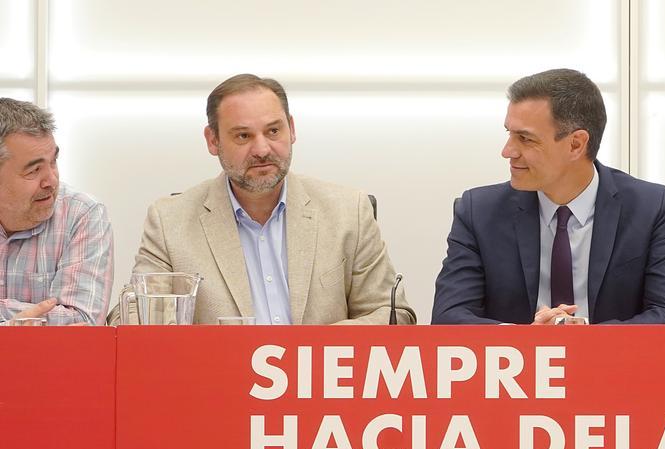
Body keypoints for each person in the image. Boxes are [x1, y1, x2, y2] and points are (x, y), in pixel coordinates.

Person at [123, 74, 415, 325]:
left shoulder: (348, 210)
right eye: (242, 136)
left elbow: (391, 314)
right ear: (213, 141)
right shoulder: (169, 221)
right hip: (216, 384)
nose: (262, 149)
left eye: (273, 131)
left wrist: (320, 347)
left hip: (317, 385)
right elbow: (131, 315)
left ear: (292, 128)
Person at [432, 68, 665, 325]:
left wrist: (586, 339)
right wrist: (525, 341)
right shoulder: (479, 212)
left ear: (576, 144)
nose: (508, 151)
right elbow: (448, 318)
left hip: (613, 364)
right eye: (509, 134)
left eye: (525, 138)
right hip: (516, 365)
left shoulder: (651, 208)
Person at [0, 98, 113, 325]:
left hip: (51, 361)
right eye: (34, 170)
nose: (51, 180)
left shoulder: (82, 214)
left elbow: (83, 320)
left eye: (53, 162)